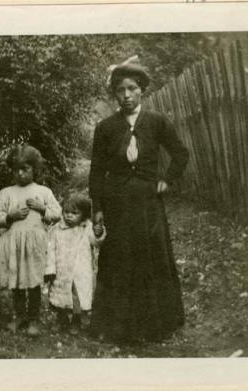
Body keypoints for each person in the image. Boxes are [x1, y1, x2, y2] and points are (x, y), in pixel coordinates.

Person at [88, 60, 189, 344]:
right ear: (115, 95)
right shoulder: (106, 128)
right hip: (117, 205)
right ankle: (118, 326)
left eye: (132, 88)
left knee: (150, 258)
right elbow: (96, 172)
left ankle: (156, 324)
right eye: (120, 90)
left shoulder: (157, 122)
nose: (127, 95)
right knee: (119, 259)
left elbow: (181, 154)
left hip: (148, 206)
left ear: (142, 90)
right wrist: (98, 210)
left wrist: (166, 179)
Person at [0, 145, 61, 337]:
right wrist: (9, 216)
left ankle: (33, 319)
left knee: (33, 281)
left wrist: (42, 209)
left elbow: (57, 214)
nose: (20, 174)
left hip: (35, 245)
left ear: (35, 170)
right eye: (16, 170)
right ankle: (19, 316)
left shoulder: (43, 192)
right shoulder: (7, 193)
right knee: (18, 280)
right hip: (15, 245)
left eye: (25, 169)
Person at [44, 193, 105, 335]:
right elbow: (50, 249)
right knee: (60, 295)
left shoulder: (87, 228)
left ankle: (76, 321)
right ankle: (61, 319)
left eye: (74, 213)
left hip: (80, 271)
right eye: (66, 212)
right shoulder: (57, 229)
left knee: (77, 296)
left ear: (83, 214)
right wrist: (50, 268)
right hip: (61, 270)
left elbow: (96, 242)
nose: (69, 216)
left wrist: (98, 233)